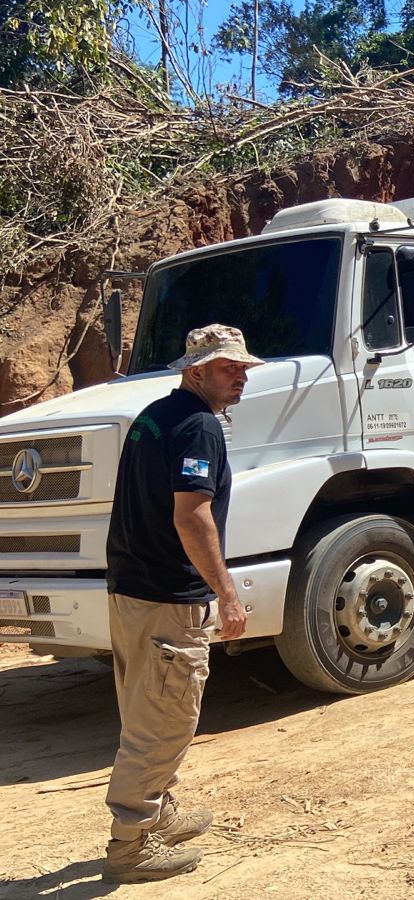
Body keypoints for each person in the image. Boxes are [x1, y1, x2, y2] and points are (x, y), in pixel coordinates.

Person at [101, 324, 261, 883]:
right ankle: (131, 844)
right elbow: (191, 516)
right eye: (228, 368)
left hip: (130, 587)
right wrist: (227, 593)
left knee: (145, 709)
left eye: (243, 368)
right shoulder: (197, 426)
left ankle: (159, 811)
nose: (240, 377)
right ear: (196, 371)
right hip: (166, 595)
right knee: (165, 719)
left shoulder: (155, 416)